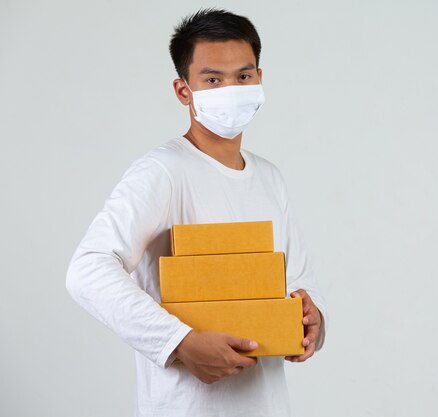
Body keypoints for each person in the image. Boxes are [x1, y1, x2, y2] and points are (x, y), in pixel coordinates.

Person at [66, 8, 327, 417]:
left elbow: (298, 281)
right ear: (183, 90)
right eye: (212, 79)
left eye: (242, 77)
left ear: (260, 79)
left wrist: (313, 321)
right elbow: (88, 269)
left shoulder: (270, 179)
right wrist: (179, 342)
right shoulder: (163, 173)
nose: (230, 89)